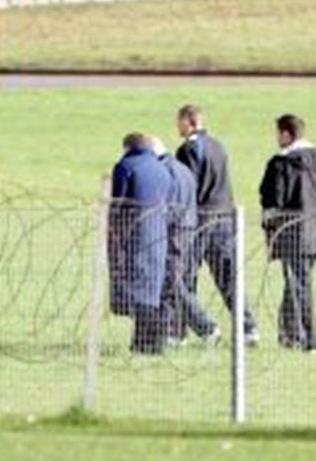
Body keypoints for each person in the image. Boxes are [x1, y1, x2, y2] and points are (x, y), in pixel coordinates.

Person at [258, 112, 316, 352]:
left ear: (286, 134)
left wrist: (271, 228)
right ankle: (290, 334)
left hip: (292, 231)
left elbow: (271, 199)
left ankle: (309, 339)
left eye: (278, 133)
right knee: (296, 283)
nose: (277, 138)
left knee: (299, 286)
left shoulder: (281, 163)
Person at [175, 103, 257, 345]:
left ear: (188, 122)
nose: (177, 127)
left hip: (200, 220)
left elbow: (189, 187)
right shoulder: (218, 146)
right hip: (224, 217)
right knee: (228, 276)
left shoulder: (188, 149)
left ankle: (187, 331)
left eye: (179, 122)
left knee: (185, 276)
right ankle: (248, 327)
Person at [107, 131, 174, 356]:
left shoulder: (126, 166)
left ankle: (146, 342)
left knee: (136, 288)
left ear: (127, 148)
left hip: (133, 233)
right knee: (151, 286)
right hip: (159, 233)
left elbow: (117, 202)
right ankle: (148, 342)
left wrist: (111, 229)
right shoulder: (163, 169)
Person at [152, 136, 207, 344]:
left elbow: (170, 205)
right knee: (172, 281)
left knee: (172, 280)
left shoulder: (166, 171)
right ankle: (172, 331)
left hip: (174, 230)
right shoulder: (183, 169)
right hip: (188, 227)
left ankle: (205, 326)